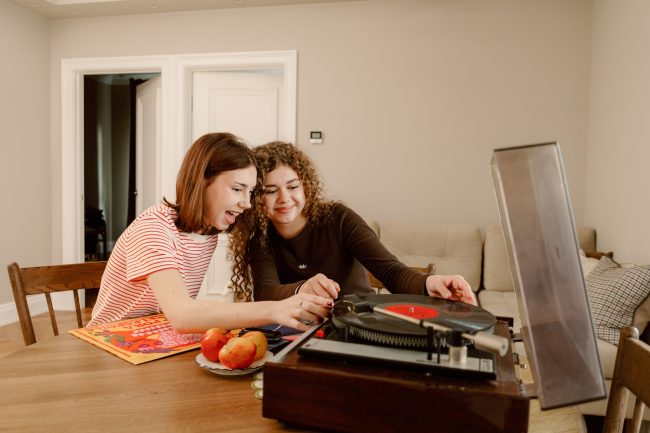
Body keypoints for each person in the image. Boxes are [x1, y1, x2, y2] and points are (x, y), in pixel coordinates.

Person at [88, 133, 331, 332]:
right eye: (237, 189)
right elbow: (182, 315)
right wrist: (275, 309)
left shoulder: (207, 234)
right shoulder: (153, 228)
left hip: (158, 337)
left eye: (251, 191)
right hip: (110, 340)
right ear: (201, 181)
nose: (246, 203)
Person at [231, 141, 477, 306]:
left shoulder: (339, 218)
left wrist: (429, 282)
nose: (285, 198)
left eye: (293, 187)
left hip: (357, 322)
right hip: (298, 330)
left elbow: (391, 272)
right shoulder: (259, 236)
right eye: (271, 190)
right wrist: (301, 289)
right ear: (255, 196)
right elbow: (265, 292)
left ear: (305, 186)